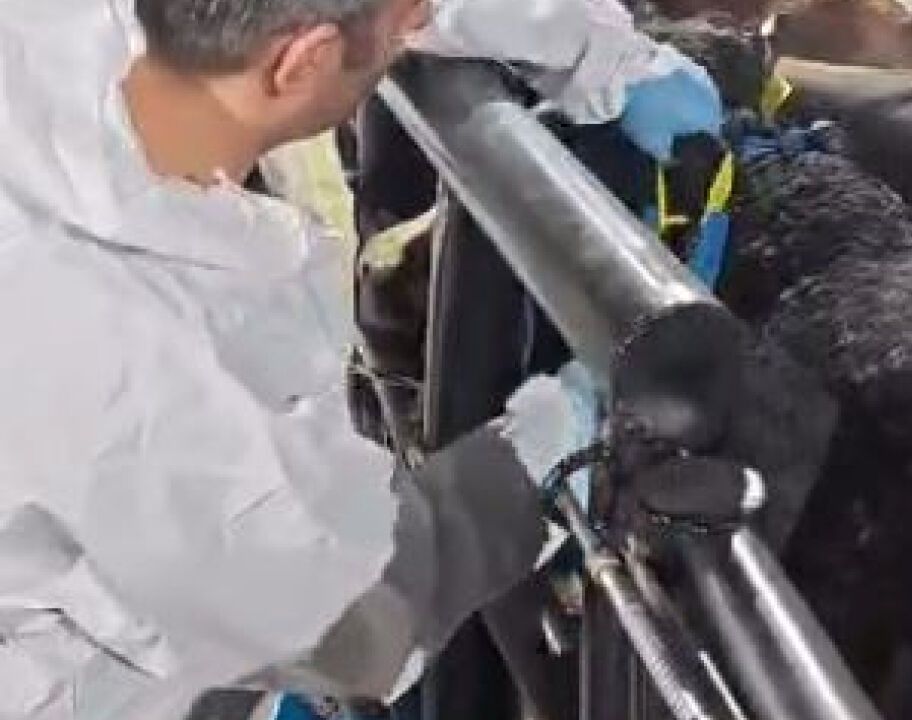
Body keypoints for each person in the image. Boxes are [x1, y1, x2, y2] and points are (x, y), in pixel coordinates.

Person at [0, 0, 721, 718]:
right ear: (302, 61)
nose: (418, 23)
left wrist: (597, 53)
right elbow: (351, 625)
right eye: (405, 24)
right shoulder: (131, 379)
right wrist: (557, 446)